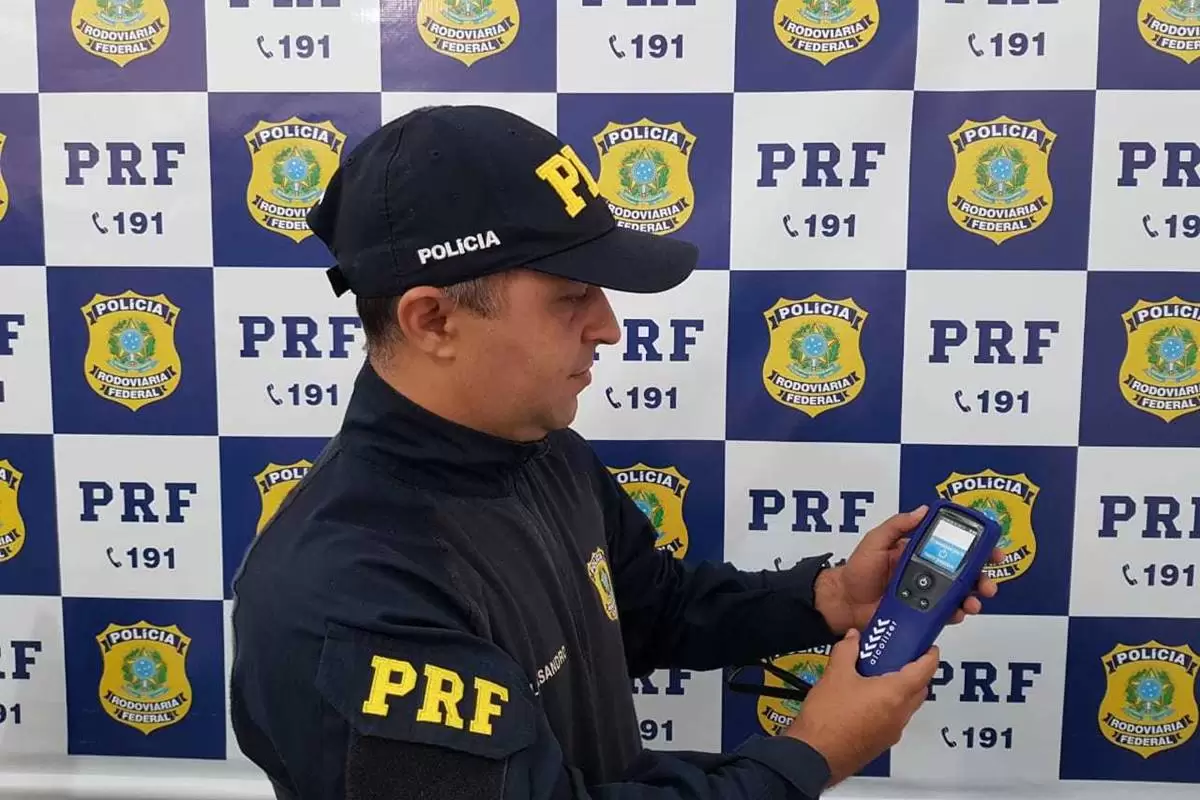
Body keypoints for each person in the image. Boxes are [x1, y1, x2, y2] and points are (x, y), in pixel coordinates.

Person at [227, 105, 1000, 800]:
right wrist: (812, 753)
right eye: (571, 297)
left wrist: (828, 598)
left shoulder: (541, 450)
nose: (608, 327)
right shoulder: (348, 596)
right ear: (433, 322)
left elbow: (649, 608)